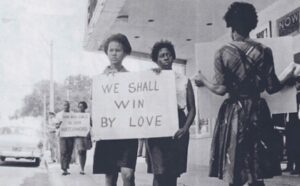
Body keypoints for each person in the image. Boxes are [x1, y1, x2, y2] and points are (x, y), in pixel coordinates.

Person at [193, 2, 296, 186]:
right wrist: (288, 76)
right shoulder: (264, 51)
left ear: (231, 25)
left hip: (234, 112)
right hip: (258, 110)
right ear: (252, 24)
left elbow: (220, 89)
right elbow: (271, 87)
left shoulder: (222, 52)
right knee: (257, 170)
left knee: (234, 168)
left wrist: (203, 80)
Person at [145, 40, 196, 186]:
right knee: (159, 171)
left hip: (178, 124)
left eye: (168, 54)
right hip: (157, 125)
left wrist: (185, 128)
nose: (166, 57)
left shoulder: (184, 80)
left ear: (173, 57)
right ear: (156, 60)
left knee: (172, 173)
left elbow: (192, 108)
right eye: (161, 56)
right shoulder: (150, 78)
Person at [93, 33, 138, 186]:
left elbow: (141, 104)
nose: (114, 53)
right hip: (109, 133)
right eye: (111, 50)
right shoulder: (100, 80)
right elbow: (96, 106)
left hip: (128, 134)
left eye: (118, 50)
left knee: (128, 174)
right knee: (110, 175)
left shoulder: (133, 79)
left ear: (125, 52)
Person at [56, 100, 75, 175]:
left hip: (70, 135)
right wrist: (60, 123)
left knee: (69, 152)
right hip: (63, 135)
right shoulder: (59, 115)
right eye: (64, 105)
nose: (66, 106)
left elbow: (77, 123)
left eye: (67, 105)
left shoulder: (73, 114)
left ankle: (66, 166)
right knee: (63, 151)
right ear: (62, 106)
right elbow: (56, 126)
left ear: (69, 106)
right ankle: (64, 169)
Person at [74, 101, 92, 175]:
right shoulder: (76, 116)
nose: (80, 108)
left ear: (85, 107)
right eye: (79, 106)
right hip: (78, 136)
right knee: (80, 151)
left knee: (84, 151)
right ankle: (81, 168)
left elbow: (91, 124)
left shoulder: (87, 115)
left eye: (82, 106)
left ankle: (82, 168)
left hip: (86, 135)